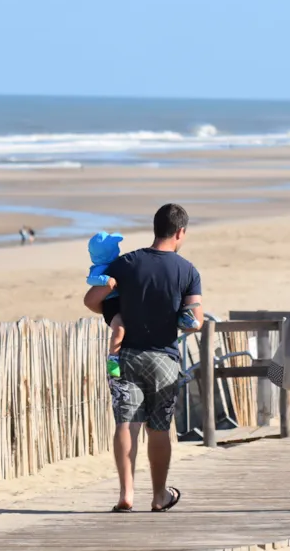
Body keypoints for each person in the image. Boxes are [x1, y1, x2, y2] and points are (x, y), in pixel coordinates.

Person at [83, 204, 202, 514]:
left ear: (155, 228)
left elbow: (92, 300)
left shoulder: (126, 263)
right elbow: (195, 320)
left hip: (126, 357)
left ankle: (126, 493)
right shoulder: (187, 271)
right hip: (164, 357)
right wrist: (178, 318)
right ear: (180, 232)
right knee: (159, 428)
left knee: (126, 423)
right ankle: (160, 495)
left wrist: (115, 314)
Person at [85, 231, 201, 379]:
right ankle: (113, 358)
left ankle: (179, 323)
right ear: (179, 233)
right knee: (119, 329)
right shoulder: (115, 267)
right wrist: (106, 283)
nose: (118, 249)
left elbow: (89, 301)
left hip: (121, 306)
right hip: (112, 305)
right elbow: (91, 291)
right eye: (114, 247)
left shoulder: (121, 263)